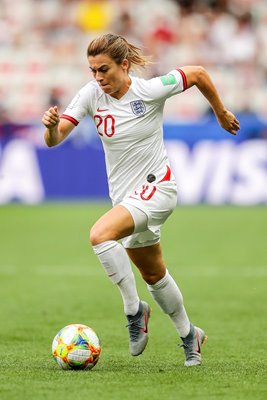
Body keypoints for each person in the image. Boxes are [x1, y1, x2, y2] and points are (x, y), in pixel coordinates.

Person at [42, 33, 240, 367]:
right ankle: (189, 335)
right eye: (92, 71)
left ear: (124, 64)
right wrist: (49, 128)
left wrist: (220, 112)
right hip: (127, 199)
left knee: (100, 235)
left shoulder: (148, 91)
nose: (98, 78)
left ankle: (134, 312)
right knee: (154, 275)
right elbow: (55, 138)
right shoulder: (92, 95)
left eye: (104, 69)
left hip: (158, 189)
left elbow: (199, 73)